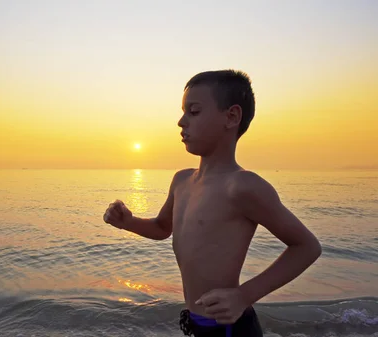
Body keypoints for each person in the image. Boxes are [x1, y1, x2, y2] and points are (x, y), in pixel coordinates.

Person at [103, 69, 322, 336]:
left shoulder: (242, 186)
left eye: (193, 112)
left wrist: (244, 296)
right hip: (196, 323)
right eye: (183, 112)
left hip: (230, 328)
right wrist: (129, 222)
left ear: (231, 117)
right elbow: (162, 228)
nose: (181, 122)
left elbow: (307, 246)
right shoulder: (182, 180)